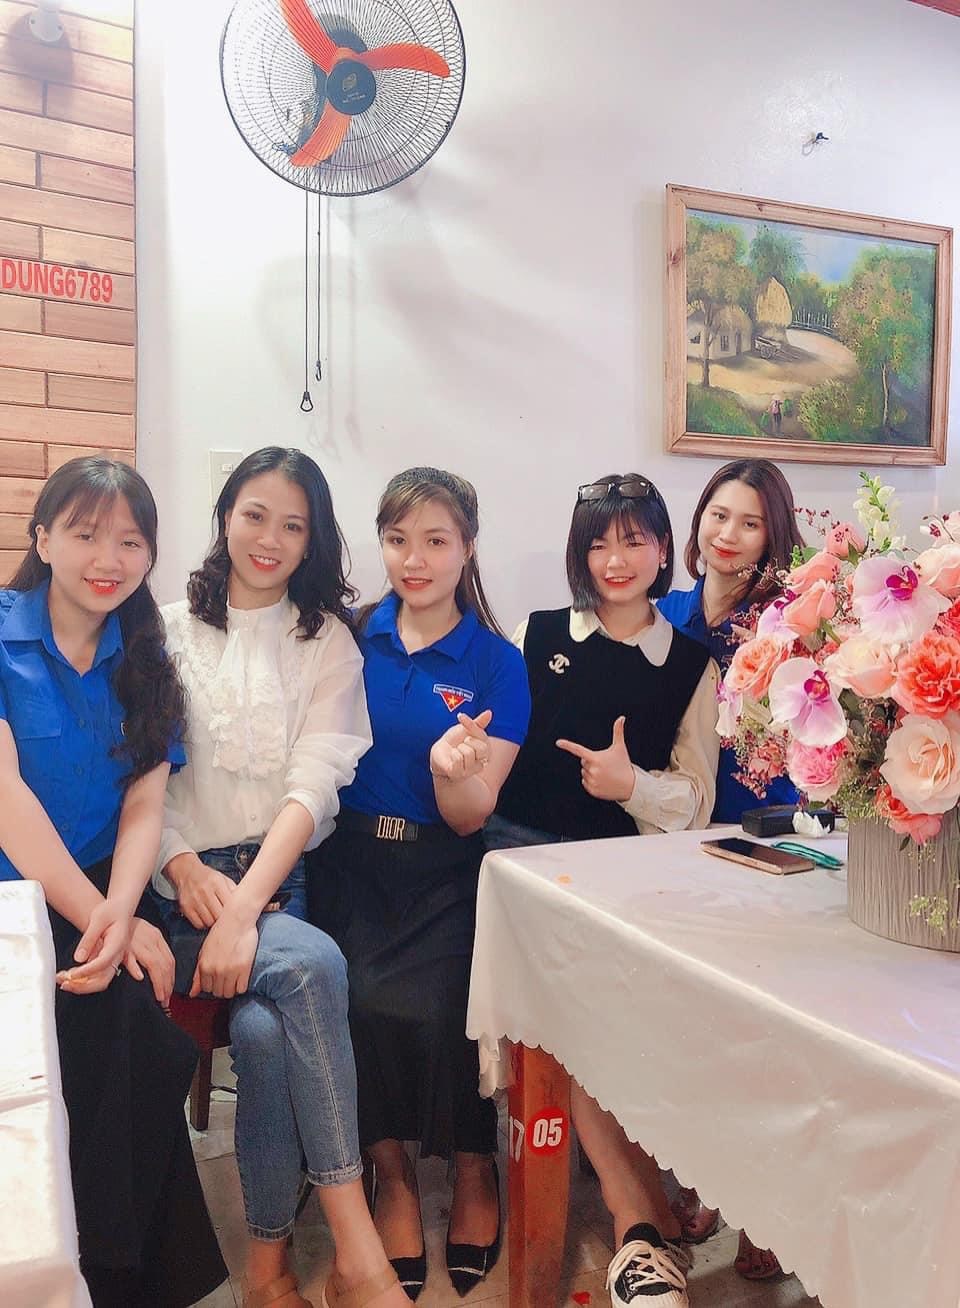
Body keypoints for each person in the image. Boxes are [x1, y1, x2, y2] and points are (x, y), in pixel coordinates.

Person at [149, 447, 410, 1308]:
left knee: (262, 1037)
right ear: (225, 515)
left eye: (293, 526)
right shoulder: (163, 631)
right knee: (315, 965)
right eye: (255, 515)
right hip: (178, 891)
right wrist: (183, 867)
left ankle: (267, 1271)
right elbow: (139, 779)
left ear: (312, 541)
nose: (270, 538)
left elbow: (313, 786)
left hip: (277, 885)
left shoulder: (325, 640)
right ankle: (358, 1254)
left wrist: (245, 912)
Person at [486, 473, 720, 1308]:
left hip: (625, 875)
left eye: (634, 540)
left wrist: (630, 786)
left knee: (611, 1006)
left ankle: (648, 1204)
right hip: (517, 863)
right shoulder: (537, 632)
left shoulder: (690, 664)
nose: (615, 560)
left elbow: (696, 801)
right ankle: (638, 1220)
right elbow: (492, 746)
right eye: (598, 543)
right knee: (571, 1006)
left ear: (663, 549)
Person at [0, 457, 227, 1308]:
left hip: (105, 889)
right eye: (86, 533)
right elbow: (6, 799)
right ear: (43, 538)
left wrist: (122, 914)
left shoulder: (148, 659)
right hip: (12, 894)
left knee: (133, 1028)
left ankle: (105, 1276)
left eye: (130, 541)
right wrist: (109, 921)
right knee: (98, 1034)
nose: (109, 558)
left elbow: (143, 805)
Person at [307, 467, 530, 1302]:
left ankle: (474, 1168)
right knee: (357, 1005)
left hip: (446, 867)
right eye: (398, 539)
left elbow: (473, 817)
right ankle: (392, 1175)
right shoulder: (346, 637)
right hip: (348, 862)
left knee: (449, 1008)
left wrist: (448, 771)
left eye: (436, 540)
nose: (415, 559)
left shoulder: (498, 664)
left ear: (466, 547)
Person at [658, 457, 804, 1280]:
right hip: (668, 839)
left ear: (772, 537)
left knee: (755, 1034)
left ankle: (763, 1206)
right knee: (688, 1027)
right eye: (719, 514)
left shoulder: (785, 632)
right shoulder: (663, 615)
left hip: (758, 841)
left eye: (750, 523)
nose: (729, 534)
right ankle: (703, 1177)